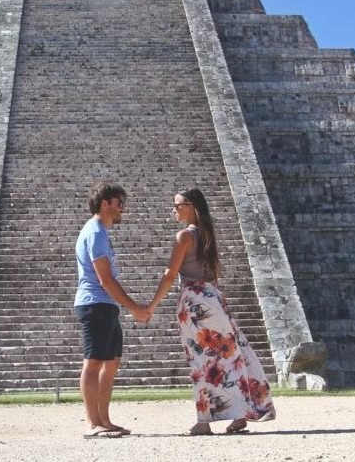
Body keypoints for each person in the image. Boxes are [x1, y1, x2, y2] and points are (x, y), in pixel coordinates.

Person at [146, 188, 276, 435]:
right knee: (231, 356)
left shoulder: (184, 236)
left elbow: (170, 274)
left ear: (191, 206)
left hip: (195, 302)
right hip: (213, 297)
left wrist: (151, 305)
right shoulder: (207, 234)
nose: (174, 210)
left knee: (202, 361)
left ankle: (204, 421)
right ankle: (240, 414)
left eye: (178, 205)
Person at [74, 182, 151, 438]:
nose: (122, 209)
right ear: (104, 203)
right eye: (119, 203)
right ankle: (92, 423)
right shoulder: (95, 232)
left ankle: (104, 420)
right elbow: (105, 280)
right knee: (93, 362)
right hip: (95, 303)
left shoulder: (100, 232)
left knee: (111, 362)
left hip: (105, 305)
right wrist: (135, 308)